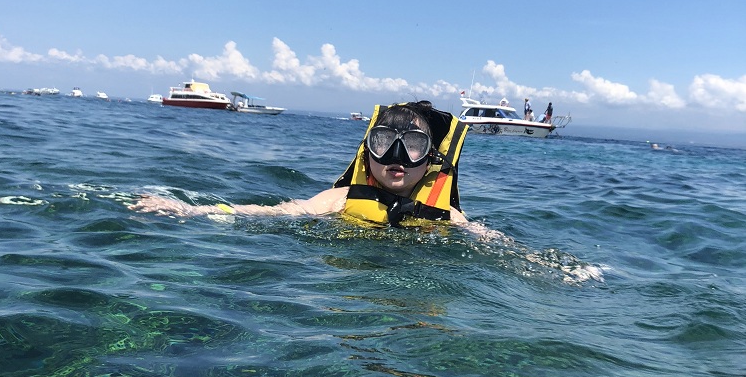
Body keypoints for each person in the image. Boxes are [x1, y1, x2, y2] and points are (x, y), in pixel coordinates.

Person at [129, 100, 504, 239]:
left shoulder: (447, 216)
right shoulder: (339, 199)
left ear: (431, 159)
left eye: (414, 146)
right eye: (384, 142)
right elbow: (276, 213)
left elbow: (495, 244)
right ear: (366, 153)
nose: (398, 157)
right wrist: (191, 211)